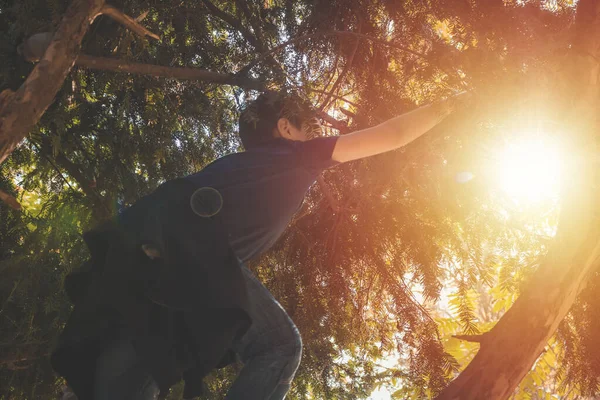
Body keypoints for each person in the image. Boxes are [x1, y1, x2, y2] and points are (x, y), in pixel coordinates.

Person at [52, 91, 465, 400]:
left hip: (146, 259)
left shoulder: (243, 167)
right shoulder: (296, 156)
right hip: (192, 249)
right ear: (286, 129)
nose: (316, 137)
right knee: (278, 345)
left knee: (143, 364)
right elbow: (392, 134)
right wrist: (451, 103)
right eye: (310, 129)